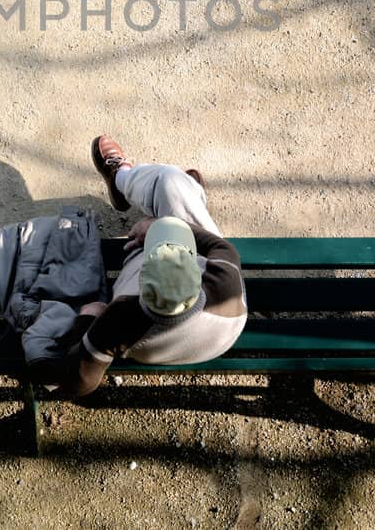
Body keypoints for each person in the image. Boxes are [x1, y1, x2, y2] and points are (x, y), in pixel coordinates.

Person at [53, 135, 248, 398]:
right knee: (175, 185)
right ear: (195, 272)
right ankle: (186, 197)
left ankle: (122, 177)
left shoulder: (120, 316)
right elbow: (214, 244)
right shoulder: (223, 283)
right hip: (221, 337)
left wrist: (90, 316)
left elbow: (77, 382)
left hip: (151, 345)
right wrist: (165, 224)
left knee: (169, 180)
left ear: (145, 269)